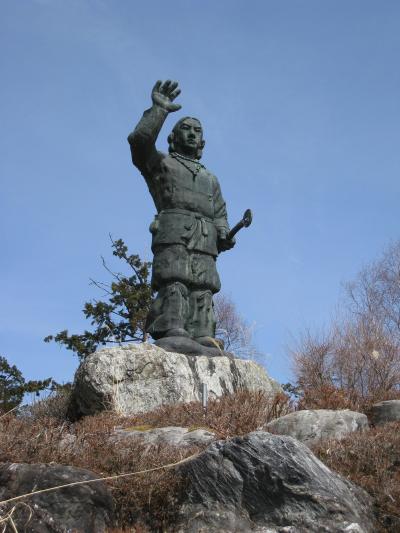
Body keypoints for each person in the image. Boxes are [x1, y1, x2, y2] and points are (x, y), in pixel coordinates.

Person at [128, 80, 235, 348]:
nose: (191, 133)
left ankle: (202, 333)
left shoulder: (210, 178)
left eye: (197, 131)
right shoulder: (162, 163)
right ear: (173, 138)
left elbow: (219, 212)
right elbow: (139, 143)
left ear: (203, 141)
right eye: (185, 129)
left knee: (203, 285)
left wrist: (223, 232)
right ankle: (172, 328)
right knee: (174, 278)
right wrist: (159, 111)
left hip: (205, 237)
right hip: (174, 231)